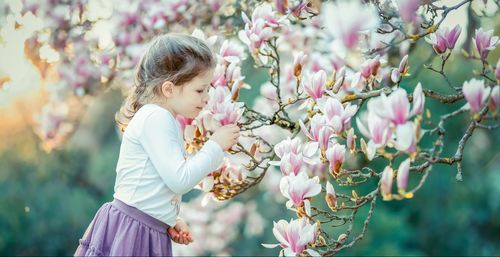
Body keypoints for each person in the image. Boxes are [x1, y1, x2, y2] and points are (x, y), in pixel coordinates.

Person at [74, 33, 240, 256]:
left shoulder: (162, 118)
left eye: (208, 89)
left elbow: (153, 183)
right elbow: (179, 179)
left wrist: (169, 218)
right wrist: (215, 146)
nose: (207, 97)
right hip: (134, 231)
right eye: (200, 90)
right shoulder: (156, 118)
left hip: (143, 228)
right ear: (169, 89)